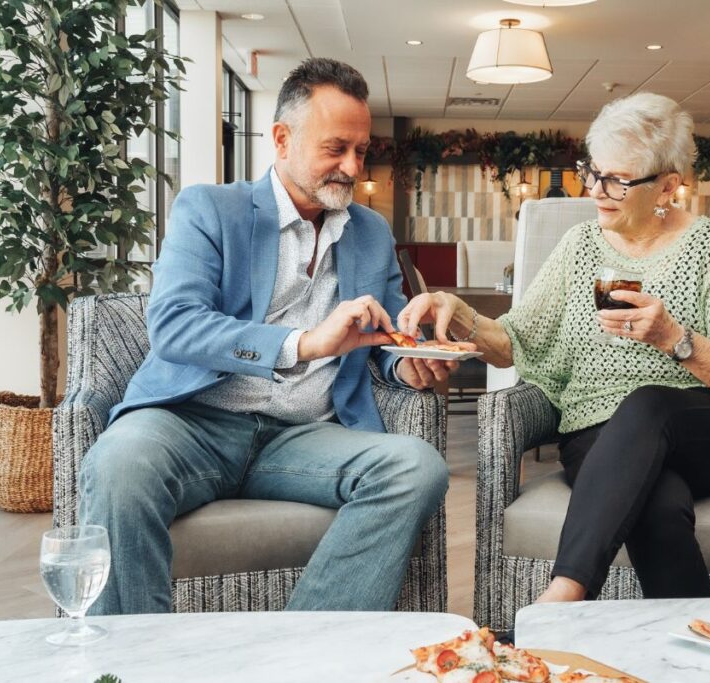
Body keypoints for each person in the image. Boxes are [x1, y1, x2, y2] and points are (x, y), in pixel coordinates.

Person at [78, 57, 457, 615]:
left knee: (418, 468)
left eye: (361, 151)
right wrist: (304, 344)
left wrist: (411, 362)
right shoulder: (211, 209)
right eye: (336, 149)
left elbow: (386, 337)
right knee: (117, 466)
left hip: (303, 436)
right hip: (190, 421)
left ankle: (300, 655)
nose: (353, 167)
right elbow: (174, 325)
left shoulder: (371, 232)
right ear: (282, 139)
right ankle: (136, 665)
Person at [399, 92, 710, 602]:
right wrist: (456, 311)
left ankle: (562, 597)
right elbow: (515, 341)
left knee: (648, 401)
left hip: (707, 434)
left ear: (668, 186)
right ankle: (700, 653)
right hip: (597, 437)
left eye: (618, 179)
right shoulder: (579, 246)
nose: (597, 190)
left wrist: (674, 339)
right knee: (657, 505)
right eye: (593, 172)